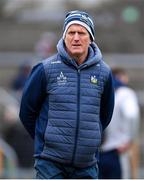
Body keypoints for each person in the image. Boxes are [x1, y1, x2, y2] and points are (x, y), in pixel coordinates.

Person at [19, 10, 114, 179]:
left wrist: (89, 141)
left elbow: (105, 115)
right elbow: (27, 112)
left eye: (82, 33)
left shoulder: (104, 73)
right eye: (71, 32)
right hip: (50, 164)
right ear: (64, 36)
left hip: (87, 165)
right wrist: (46, 140)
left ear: (91, 38)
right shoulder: (45, 69)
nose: (76, 38)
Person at [99, 68, 140, 179]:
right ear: (121, 77)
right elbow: (132, 114)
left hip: (97, 153)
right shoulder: (125, 93)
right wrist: (129, 139)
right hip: (117, 151)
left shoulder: (100, 90)